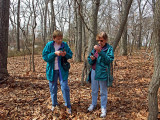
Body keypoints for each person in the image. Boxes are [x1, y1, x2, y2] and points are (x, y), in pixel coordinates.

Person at [42, 30, 73, 114]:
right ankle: (54, 104)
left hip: (62, 70)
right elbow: (45, 57)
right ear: (54, 38)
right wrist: (54, 53)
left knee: (65, 87)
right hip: (52, 70)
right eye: (58, 39)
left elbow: (70, 54)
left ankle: (68, 106)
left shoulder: (64, 45)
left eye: (61, 39)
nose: (60, 40)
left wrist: (65, 54)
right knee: (52, 88)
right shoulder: (49, 45)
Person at [87, 32, 114, 117]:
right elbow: (90, 58)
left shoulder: (109, 48)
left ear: (105, 40)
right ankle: (93, 104)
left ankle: (103, 107)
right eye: (98, 40)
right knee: (94, 90)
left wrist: (100, 52)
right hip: (94, 71)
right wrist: (91, 59)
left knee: (103, 91)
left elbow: (109, 60)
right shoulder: (95, 48)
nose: (99, 42)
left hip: (103, 72)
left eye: (101, 40)